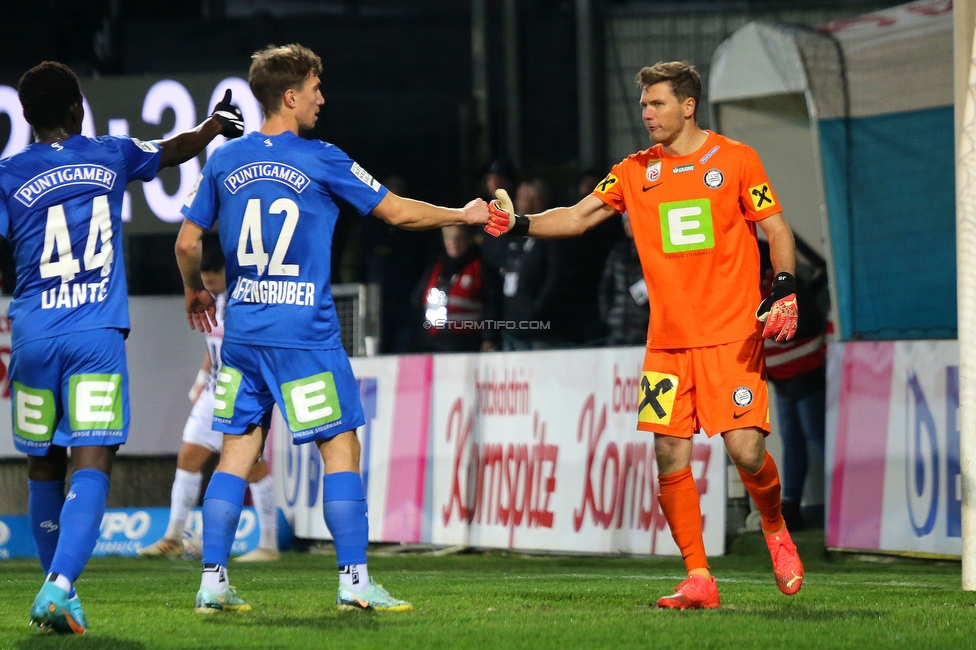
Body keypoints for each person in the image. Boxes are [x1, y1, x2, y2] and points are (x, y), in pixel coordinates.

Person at [175, 43, 488, 614]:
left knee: (236, 455)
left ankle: (213, 584)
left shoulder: (222, 160)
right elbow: (396, 212)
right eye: (316, 88)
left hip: (243, 334)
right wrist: (462, 214)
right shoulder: (321, 157)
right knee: (340, 447)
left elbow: (187, 242)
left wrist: (196, 289)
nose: (323, 97)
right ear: (290, 97)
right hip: (304, 334)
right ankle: (354, 582)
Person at [485, 61, 803, 609]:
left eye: (656, 103)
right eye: (643, 105)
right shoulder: (635, 171)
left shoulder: (735, 161)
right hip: (667, 343)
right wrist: (519, 223)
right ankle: (699, 577)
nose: (646, 114)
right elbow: (579, 217)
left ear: (687, 105)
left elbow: (776, 229)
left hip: (731, 336)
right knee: (668, 455)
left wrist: (786, 286)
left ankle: (774, 526)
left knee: (747, 452)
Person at [0, 61, 244, 635]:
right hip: (94, 338)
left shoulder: (7, 173)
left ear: (28, 118)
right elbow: (171, 148)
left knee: (42, 463)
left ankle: (61, 592)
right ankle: (59, 588)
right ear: (75, 110)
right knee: (92, 461)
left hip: (31, 336)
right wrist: (212, 127)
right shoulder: (109, 154)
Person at [139, 239, 279, 561]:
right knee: (188, 456)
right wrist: (202, 379)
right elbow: (214, 345)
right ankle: (173, 537)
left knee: (252, 467)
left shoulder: (248, 301)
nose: (208, 286)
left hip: (241, 391)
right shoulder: (213, 298)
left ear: (227, 272)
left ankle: (269, 545)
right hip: (215, 390)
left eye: (213, 280)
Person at [759, 239, 828, 531]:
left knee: (814, 438)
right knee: (795, 442)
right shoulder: (759, 289)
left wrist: (778, 328)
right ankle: (790, 506)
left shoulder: (783, 286)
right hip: (784, 377)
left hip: (805, 372)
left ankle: (840, 503)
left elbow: (812, 320)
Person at [499, 179, 567, 350]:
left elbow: (554, 280)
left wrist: (535, 312)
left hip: (539, 332)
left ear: (537, 201)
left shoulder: (552, 236)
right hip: (512, 330)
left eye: (521, 198)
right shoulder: (515, 237)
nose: (515, 202)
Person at [413, 225, 486, 353]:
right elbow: (417, 300)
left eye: (458, 238)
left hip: (467, 342)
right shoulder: (435, 269)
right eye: (449, 238)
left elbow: (491, 306)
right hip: (433, 341)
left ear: (468, 240)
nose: (453, 243)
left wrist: (488, 338)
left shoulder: (479, 269)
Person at [598, 212, 649, 345]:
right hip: (616, 325)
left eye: (631, 222)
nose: (628, 226)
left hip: (642, 326)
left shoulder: (650, 251)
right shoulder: (618, 252)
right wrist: (608, 315)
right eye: (626, 222)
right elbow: (606, 287)